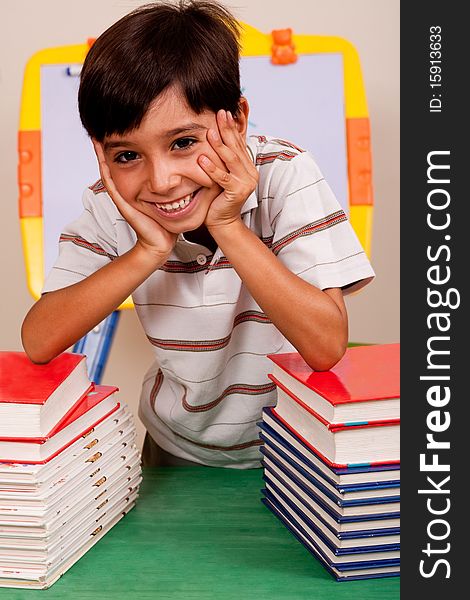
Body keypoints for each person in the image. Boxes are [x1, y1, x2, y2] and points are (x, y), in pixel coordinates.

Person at [21, 0, 374, 468]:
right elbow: (40, 340)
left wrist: (227, 225)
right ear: (101, 154)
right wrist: (148, 250)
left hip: (297, 449)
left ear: (238, 122)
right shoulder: (110, 206)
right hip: (175, 447)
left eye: (183, 143)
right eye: (127, 155)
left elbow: (326, 346)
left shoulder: (285, 175)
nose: (162, 180)